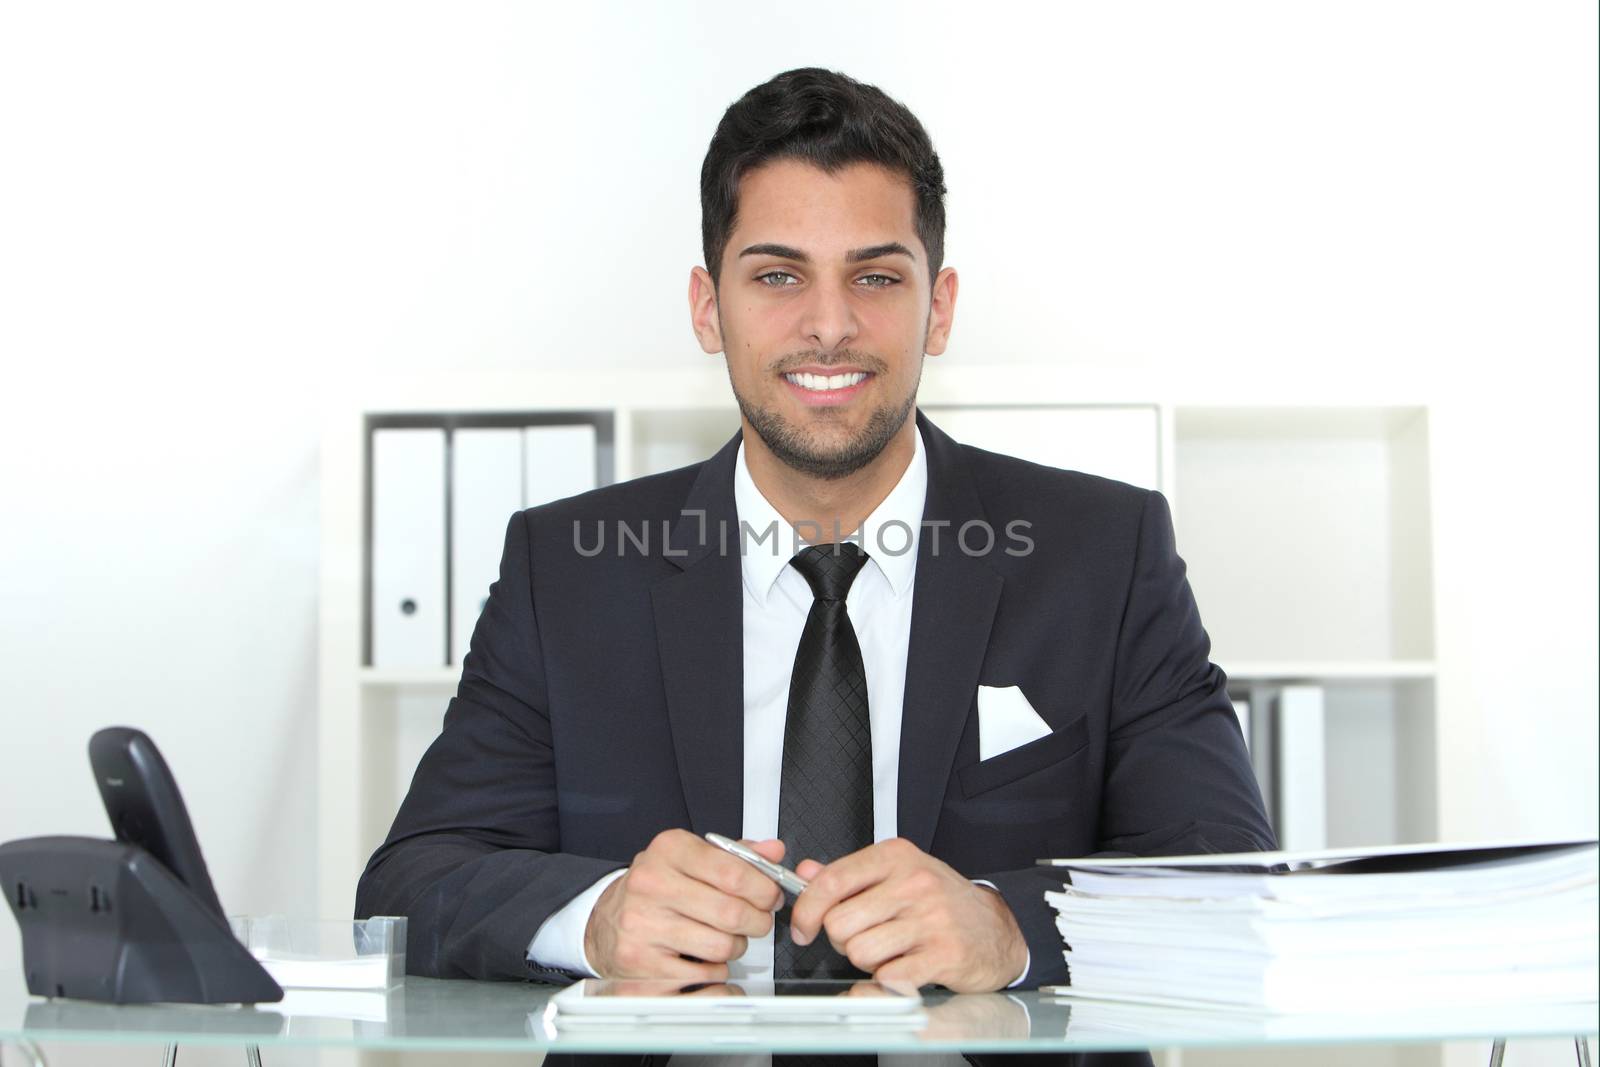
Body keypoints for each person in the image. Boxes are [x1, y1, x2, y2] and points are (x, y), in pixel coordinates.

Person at [355, 67, 1275, 1066]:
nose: (829, 325)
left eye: (876, 277)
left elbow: (1225, 880)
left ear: (940, 307)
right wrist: (597, 916)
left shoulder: (1103, 548)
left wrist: (1006, 926)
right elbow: (413, 881)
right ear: (709, 308)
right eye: (777, 276)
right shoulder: (567, 569)